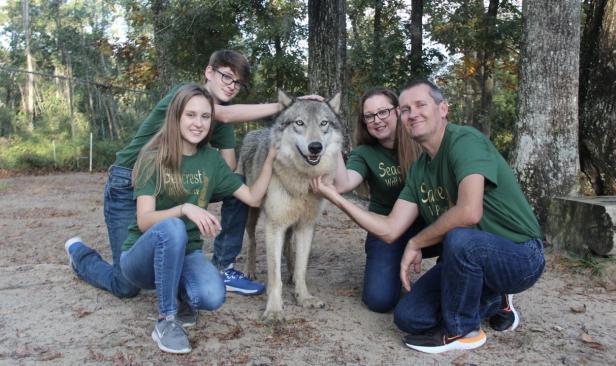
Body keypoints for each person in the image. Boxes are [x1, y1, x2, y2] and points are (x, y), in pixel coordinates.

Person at [311, 80, 545, 354]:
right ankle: (492, 298)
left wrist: (416, 243)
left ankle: (463, 330)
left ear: (442, 109)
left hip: (520, 254)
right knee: (408, 316)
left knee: (459, 238)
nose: (413, 114)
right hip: (464, 251)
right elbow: (389, 229)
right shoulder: (418, 170)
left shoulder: (464, 141)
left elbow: (469, 212)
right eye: (407, 109)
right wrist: (337, 199)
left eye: (420, 105)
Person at [65, 50, 316, 298]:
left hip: (174, 184)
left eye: (238, 83)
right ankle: (80, 255)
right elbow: (225, 114)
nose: (231, 86)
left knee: (237, 187)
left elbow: (228, 166)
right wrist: (290, 106)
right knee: (126, 286)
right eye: (226, 77)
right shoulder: (184, 95)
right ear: (209, 72)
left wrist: (202, 160)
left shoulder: (220, 123)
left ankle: (223, 266)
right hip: (129, 180)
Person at [116, 84, 274, 353]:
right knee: (174, 227)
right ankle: (166, 320)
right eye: (190, 115)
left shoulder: (211, 160)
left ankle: (182, 295)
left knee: (212, 296)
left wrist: (271, 156)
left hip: (186, 254)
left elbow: (253, 198)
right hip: (141, 259)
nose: (198, 123)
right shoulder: (152, 157)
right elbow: (144, 221)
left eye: (205, 117)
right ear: (176, 116)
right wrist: (184, 208)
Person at [333, 87, 432, 313]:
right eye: (369, 116)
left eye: (383, 112)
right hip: (388, 229)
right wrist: (332, 138)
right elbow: (342, 184)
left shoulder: (419, 140)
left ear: (398, 111)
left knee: (459, 242)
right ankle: (396, 269)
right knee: (379, 300)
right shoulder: (364, 153)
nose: (376, 120)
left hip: (428, 224)